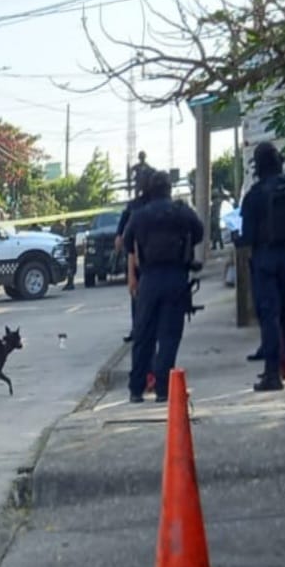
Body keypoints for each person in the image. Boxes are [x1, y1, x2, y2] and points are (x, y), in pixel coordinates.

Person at [123, 170, 204, 403]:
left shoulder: (139, 215)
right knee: (169, 335)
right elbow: (198, 232)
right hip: (176, 277)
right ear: (169, 189)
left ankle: (136, 389)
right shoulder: (181, 212)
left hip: (149, 278)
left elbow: (128, 242)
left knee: (143, 335)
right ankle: (162, 389)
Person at [236, 141, 285, 391]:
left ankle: (272, 374)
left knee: (269, 316)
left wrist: (238, 238)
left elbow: (247, 236)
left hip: (266, 260)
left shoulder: (254, 195)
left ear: (258, 166)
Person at [116, 170, 152, 342]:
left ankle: (142, 329)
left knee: (140, 294)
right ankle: (138, 328)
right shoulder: (134, 206)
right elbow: (123, 227)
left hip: (144, 258)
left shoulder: (141, 206)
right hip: (138, 257)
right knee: (136, 295)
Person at [62, 220, 77, 291]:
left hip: (71, 251)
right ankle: (69, 283)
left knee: (71, 267)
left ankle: (71, 283)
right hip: (69, 250)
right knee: (69, 268)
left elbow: (71, 239)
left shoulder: (71, 230)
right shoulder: (66, 230)